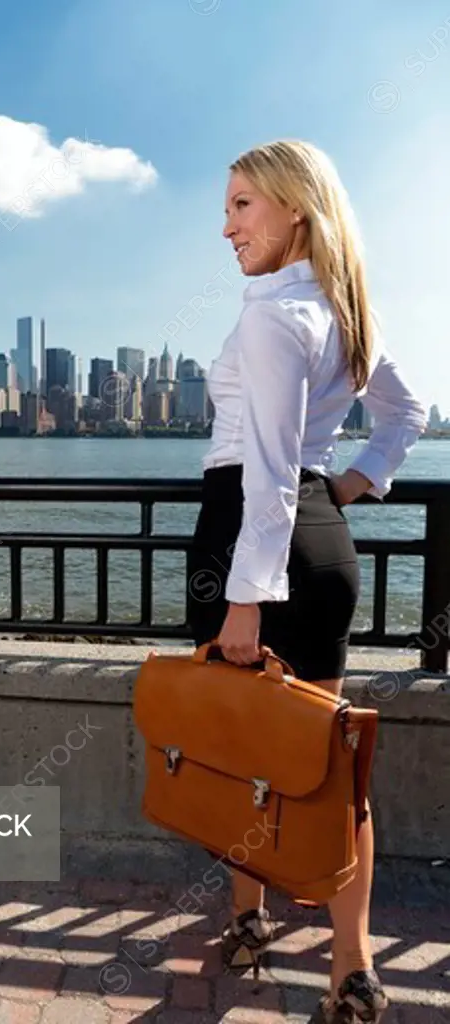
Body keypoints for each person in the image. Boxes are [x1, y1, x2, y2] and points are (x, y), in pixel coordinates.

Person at [187, 139, 426, 1023]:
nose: (226, 225)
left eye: (242, 204)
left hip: (253, 545)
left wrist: (246, 596)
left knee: (240, 754)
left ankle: (249, 921)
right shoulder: (345, 307)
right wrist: (358, 483)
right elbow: (407, 414)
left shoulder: (273, 315)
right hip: (317, 545)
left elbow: (269, 472)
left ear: (294, 207)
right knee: (326, 772)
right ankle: (350, 964)